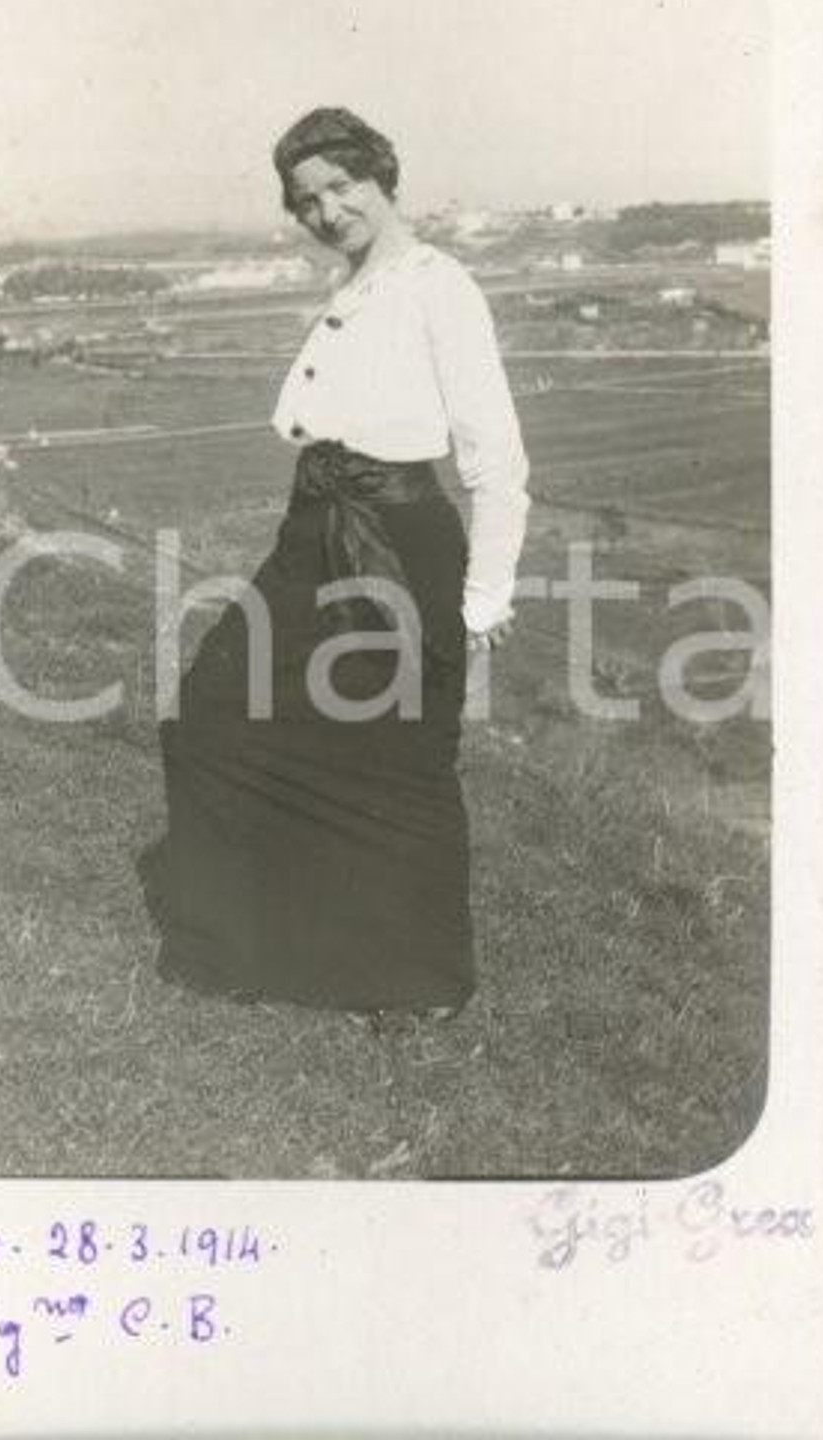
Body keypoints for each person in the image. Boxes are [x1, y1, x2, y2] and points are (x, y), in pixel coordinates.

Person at [145, 106, 529, 1016]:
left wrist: (485, 597)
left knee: (401, 750)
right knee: (218, 706)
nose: (326, 210)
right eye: (305, 199)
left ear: (381, 177)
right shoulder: (358, 282)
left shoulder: (439, 285)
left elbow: (496, 455)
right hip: (313, 526)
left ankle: (423, 981)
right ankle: (255, 943)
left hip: (395, 538)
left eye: (340, 186)